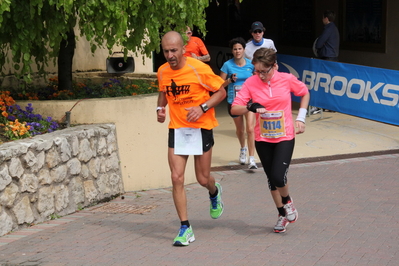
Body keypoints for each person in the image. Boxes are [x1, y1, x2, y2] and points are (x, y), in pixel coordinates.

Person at [156, 31, 226, 246]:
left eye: (174, 50)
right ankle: (185, 227)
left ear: (183, 49)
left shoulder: (199, 69)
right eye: (166, 51)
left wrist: (202, 107)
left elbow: (221, 92)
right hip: (178, 129)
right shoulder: (162, 71)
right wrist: (160, 108)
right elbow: (164, 91)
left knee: (202, 179)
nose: (170, 55)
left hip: (201, 127)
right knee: (176, 177)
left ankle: (214, 191)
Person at [231, 48, 310, 233]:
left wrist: (301, 118)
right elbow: (235, 108)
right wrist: (250, 106)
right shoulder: (251, 82)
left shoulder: (286, 79)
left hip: (284, 136)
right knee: (271, 180)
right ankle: (282, 214)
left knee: (278, 176)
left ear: (274, 66)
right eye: (257, 71)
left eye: (264, 72)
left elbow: (304, 93)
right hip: (263, 138)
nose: (260, 75)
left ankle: (288, 201)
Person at [219, 37, 257, 169]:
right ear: (232, 51)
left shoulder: (251, 64)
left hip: (249, 102)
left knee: (251, 129)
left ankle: (252, 159)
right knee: (240, 130)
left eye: (240, 48)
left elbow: (259, 79)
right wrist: (229, 80)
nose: (237, 51)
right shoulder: (227, 65)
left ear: (244, 50)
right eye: (235, 49)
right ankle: (243, 149)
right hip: (234, 102)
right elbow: (219, 85)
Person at [311, 10, 340, 114]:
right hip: (333, 58)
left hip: (327, 59)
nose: (322, 20)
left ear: (326, 19)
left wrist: (317, 48)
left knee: (323, 82)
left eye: (323, 18)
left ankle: (322, 105)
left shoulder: (328, 28)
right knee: (330, 83)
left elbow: (319, 43)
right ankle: (329, 106)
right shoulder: (334, 28)